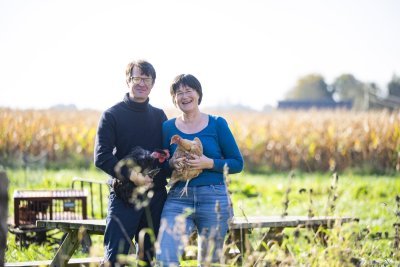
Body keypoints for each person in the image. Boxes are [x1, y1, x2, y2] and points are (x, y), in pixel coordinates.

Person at [156, 74, 244, 266]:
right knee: (165, 258)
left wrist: (208, 163)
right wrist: (171, 164)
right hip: (179, 197)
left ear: (198, 94)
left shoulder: (217, 123)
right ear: (174, 99)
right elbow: (161, 164)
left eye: (189, 91)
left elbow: (237, 163)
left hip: (214, 198)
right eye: (179, 93)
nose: (184, 96)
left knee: (209, 261)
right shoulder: (167, 127)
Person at [94, 60, 168, 266]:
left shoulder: (159, 116)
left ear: (153, 83)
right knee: (115, 258)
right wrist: (135, 177)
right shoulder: (112, 115)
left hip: (154, 197)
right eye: (137, 78)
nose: (142, 83)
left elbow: (165, 156)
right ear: (128, 80)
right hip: (124, 195)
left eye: (147, 79)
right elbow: (102, 156)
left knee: (149, 258)